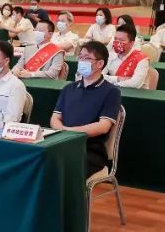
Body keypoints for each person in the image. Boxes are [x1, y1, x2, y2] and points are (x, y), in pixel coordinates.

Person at [51, 41, 121, 177]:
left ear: (100, 64)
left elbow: (103, 126)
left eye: (87, 58)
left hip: (89, 150)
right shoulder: (69, 88)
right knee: (40, 160)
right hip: (62, 144)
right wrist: (63, 132)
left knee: (64, 168)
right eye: (80, 57)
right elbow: (55, 117)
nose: (82, 61)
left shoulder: (111, 92)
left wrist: (70, 132)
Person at [105, 23, 149, 88]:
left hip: (133, 93)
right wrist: (118, 79)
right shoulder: (110, 55)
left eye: (121, 40)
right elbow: (99, 77)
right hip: (113, 91)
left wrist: (113, 84)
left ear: (131, 43)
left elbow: (135, 83)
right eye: (115, 39)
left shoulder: (141, 59)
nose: (117, 42)